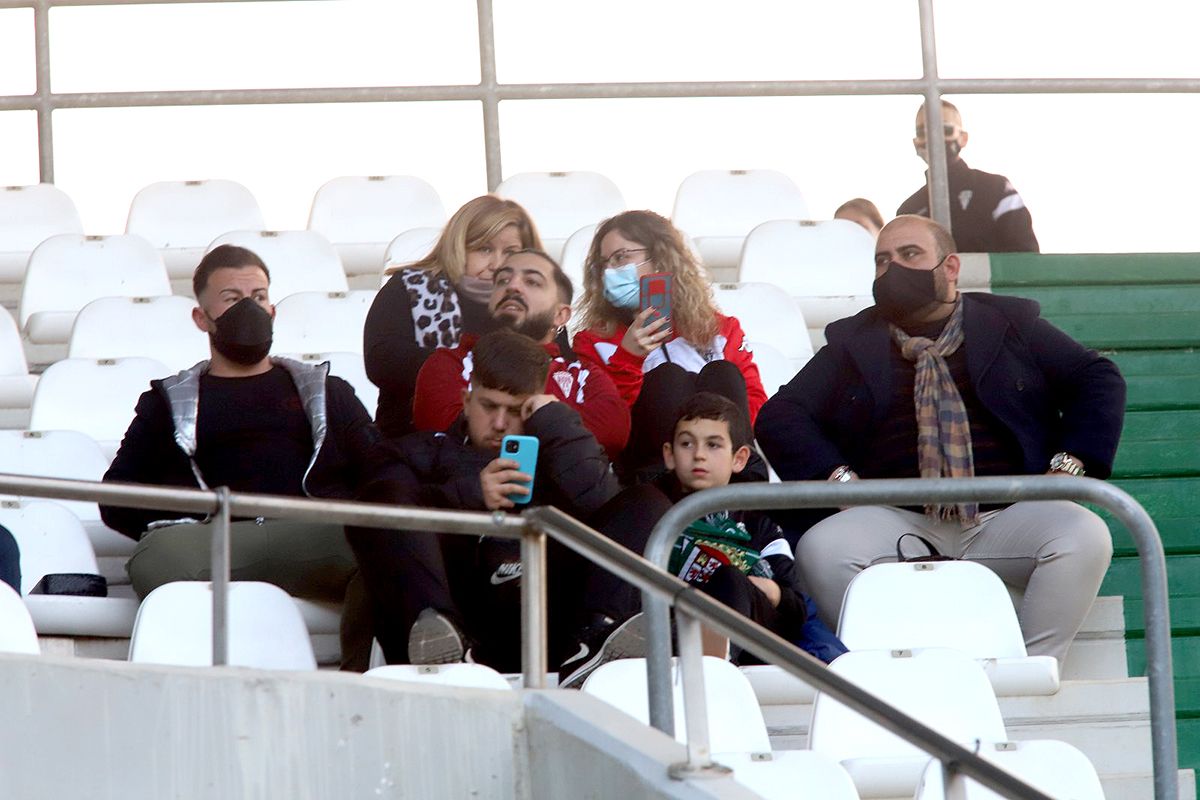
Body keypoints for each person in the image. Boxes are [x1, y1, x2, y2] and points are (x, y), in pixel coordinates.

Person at [755, 215, 1124, 664]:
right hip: (896, 517)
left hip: (1005, 515)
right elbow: (780, 415)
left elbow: (1096, 377)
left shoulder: (1008, 323)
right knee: (822, 550)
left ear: (950, 267)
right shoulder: (853, 341)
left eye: (910, 255)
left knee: (1084, 535)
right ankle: (882, 669)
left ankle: (1030, 669)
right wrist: (840, 480)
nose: (893, 270)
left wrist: (1067, 467)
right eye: (882, 261)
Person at [100, 244, 429, 670]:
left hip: (313, 534)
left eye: (257, 297)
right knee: (155, 556)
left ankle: (356, 680)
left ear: (272, 309)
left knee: (389, 542)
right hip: (215, 539)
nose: (248, 309)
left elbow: (382, 469)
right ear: (202, 318)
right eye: (232, 299)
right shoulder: (167, 401)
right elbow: (116, 498)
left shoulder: (327, 392)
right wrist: (194, 516)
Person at [352, 329, 661, 676]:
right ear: (467, 401)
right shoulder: (419, 453)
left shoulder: (560, 452)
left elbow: (606, 508)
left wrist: (556, 422)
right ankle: (438, 639)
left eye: (515, 410)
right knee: (385, 499)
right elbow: (376, 503)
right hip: (461, 608)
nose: (499, 424)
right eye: (489, 406)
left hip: (555, 621)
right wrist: (471, 496)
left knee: (647, 502)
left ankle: (596, 644)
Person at [651, 393, 847, 666]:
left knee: (730, 579)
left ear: (740, 458)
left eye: (713, 445)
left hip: (752, 640)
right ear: (669, 455)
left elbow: (797, 605)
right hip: (675, 620)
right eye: (686, 444)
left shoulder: (759, 524)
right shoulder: (653, 508)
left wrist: (770, 590)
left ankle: (718, 664)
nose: (698, 455)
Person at [572, 210, 767, 481]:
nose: (609, 272)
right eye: (602, 264)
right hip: (651, 473)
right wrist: (628, 358)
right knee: (667, 380)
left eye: (621, 258)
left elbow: (755, 402)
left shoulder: (721, 330)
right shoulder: (592, 342)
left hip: (727, 472)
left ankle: (739, 486)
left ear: (660, 260)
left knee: (723, 373)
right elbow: (606, 426)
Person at [412, 248, 630, 460]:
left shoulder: (583, 375)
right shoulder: (451, 362)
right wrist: (558, 425)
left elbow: (613, 434)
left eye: (532, 282)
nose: (512, 287)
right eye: (503, 281)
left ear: (560, 315)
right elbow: (441, 426)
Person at [364, 194, 542, 439]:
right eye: (484, 249)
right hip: (415, 448)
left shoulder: (537, 301)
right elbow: (382, 362)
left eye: (510, 252)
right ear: (458, 246)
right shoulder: (409, 287)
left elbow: (558, 369)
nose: (497, 264)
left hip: (515, 445)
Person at [897, 99, 1040, 253]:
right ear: (915, 143)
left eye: (945, 130)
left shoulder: (995, 188)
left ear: (963, 138)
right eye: (922, 132)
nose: (933, 138)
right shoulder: (908, 210)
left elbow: (1025, 255)